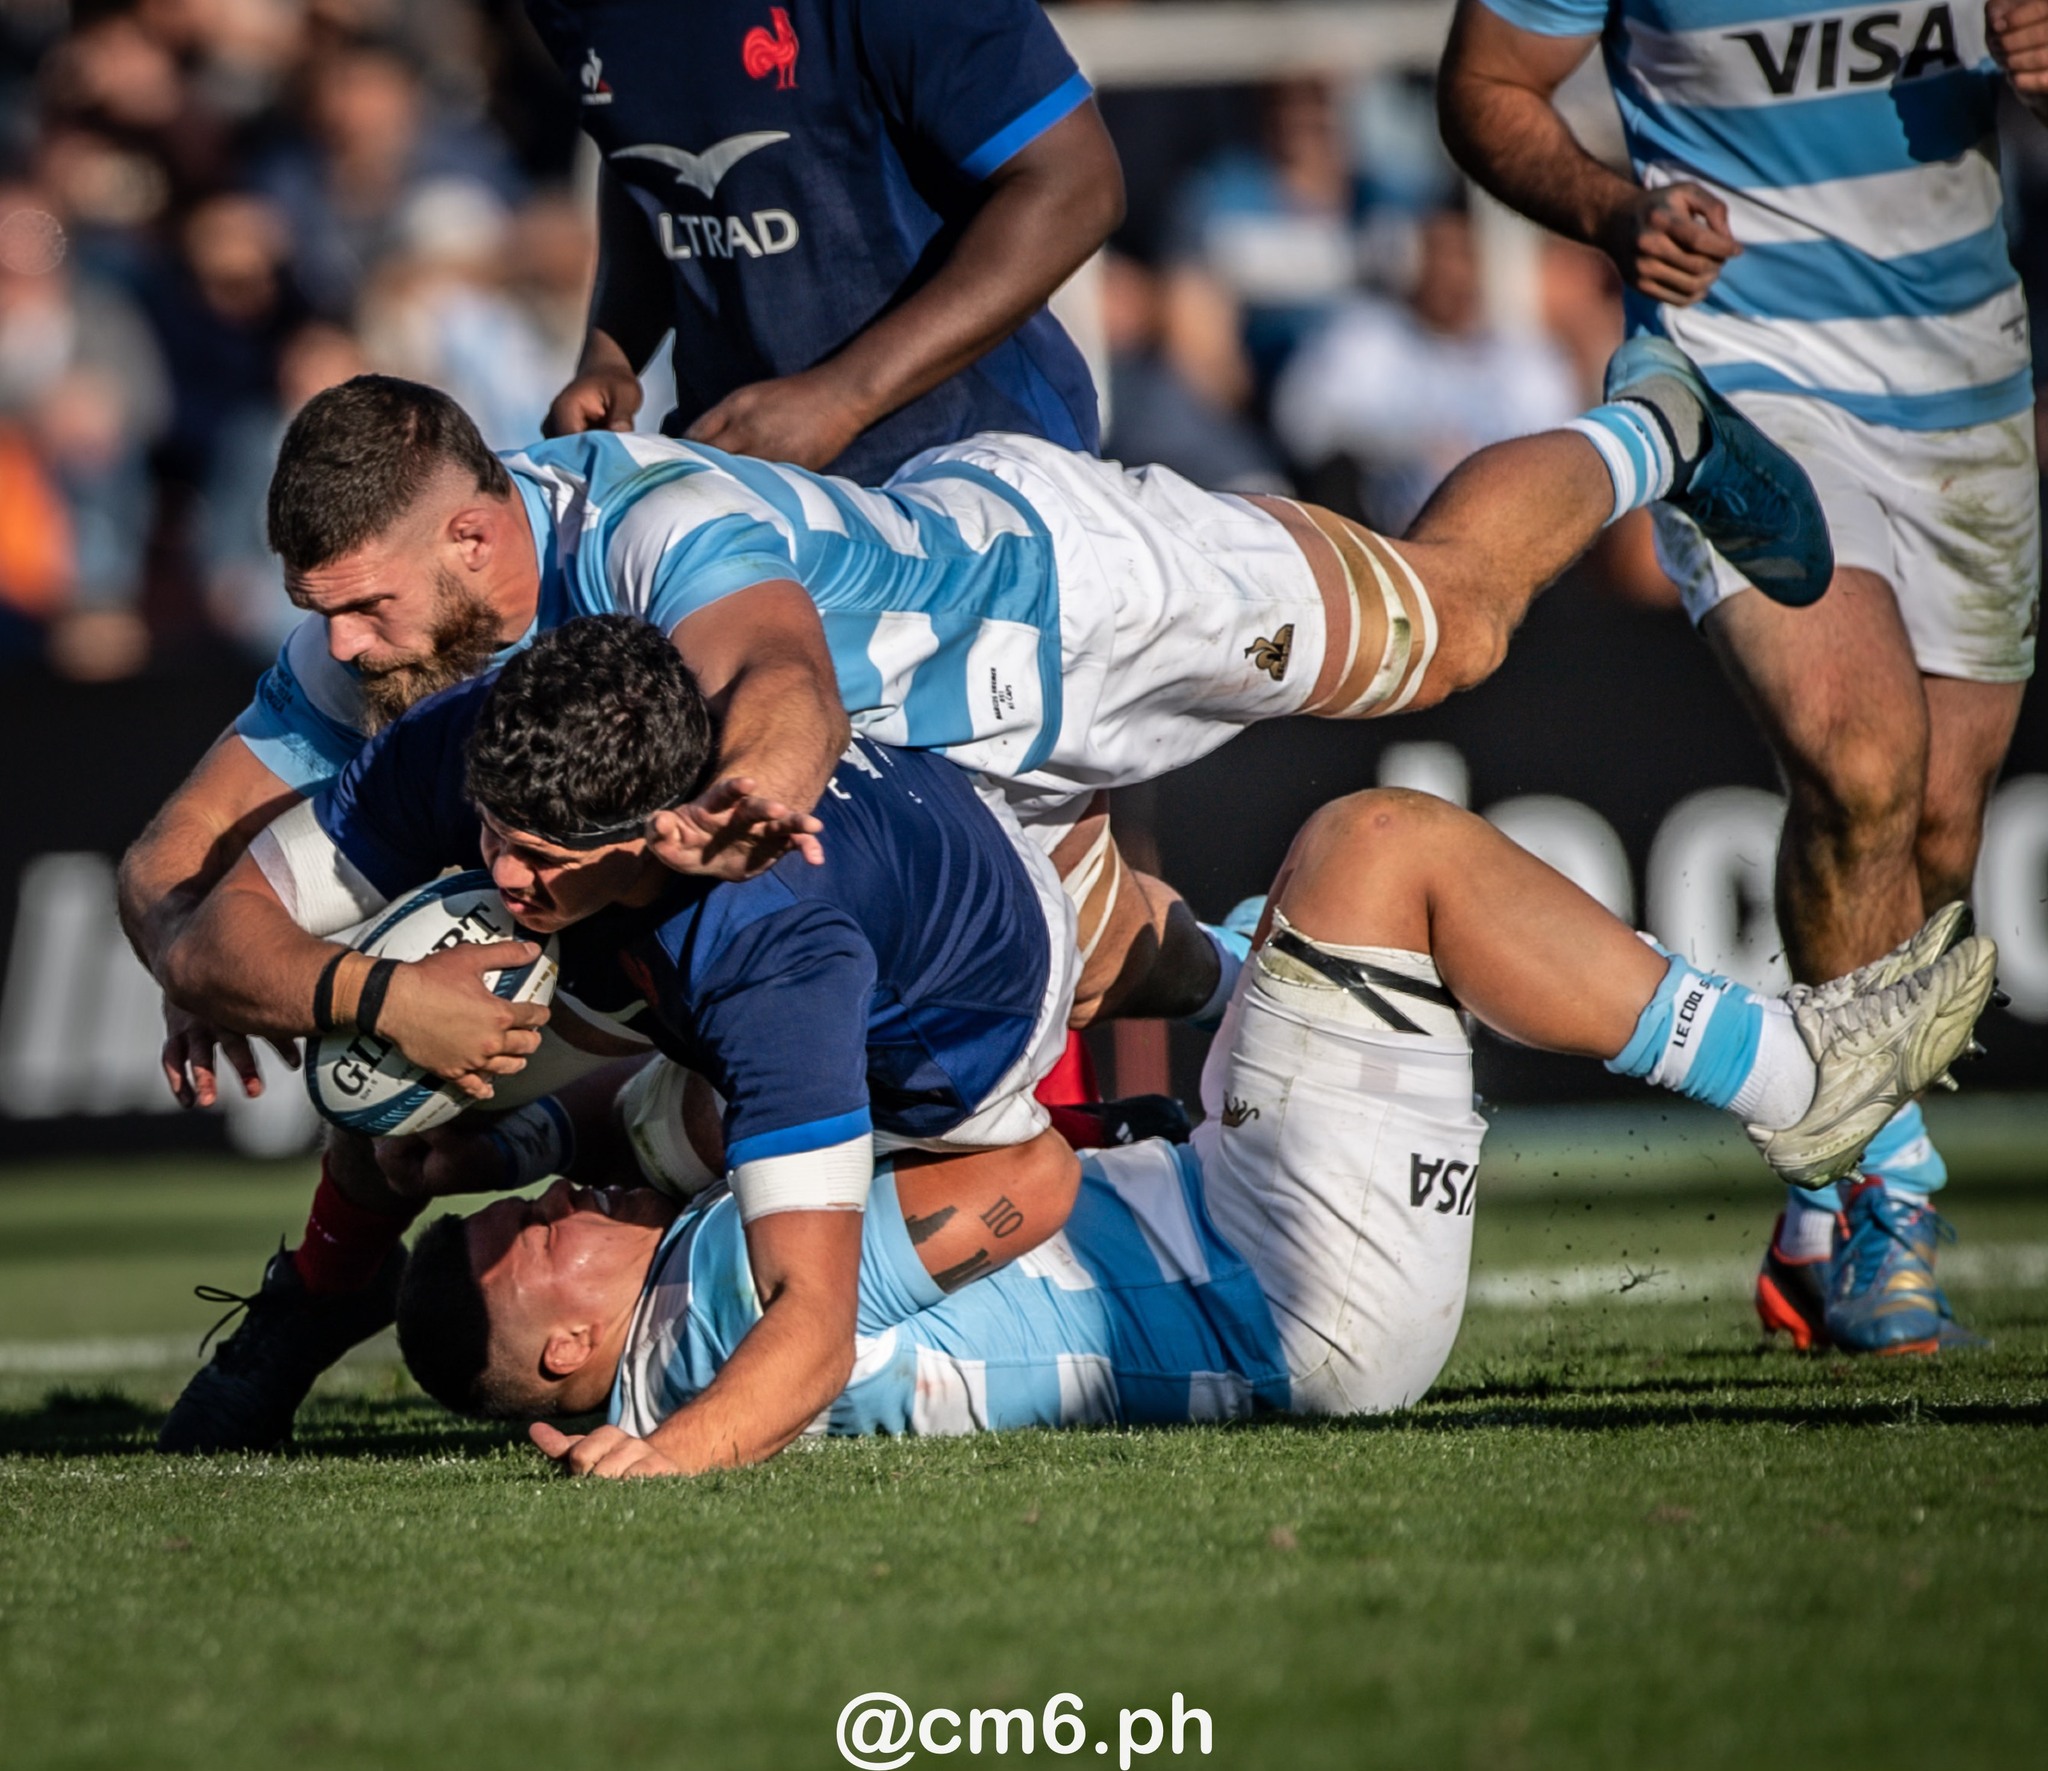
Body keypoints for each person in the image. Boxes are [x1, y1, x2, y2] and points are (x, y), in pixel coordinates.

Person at [118, 354, 1833, 1115]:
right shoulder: (391, 635)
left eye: (361, 610)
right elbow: (158, 875)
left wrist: (744, 804)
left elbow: (781, 684)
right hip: (949, 774)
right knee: (1117, 972)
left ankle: (1646, 424)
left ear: (478, 543)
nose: (337, 652)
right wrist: (243, 980)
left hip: (1062, 608)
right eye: (324, 614)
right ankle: (1338, 1060)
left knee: (1449, 623)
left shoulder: (650, 528)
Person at [391, 787, 1997, 1475]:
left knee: (1191, 929)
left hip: (1251, 1239)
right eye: (529, 1236)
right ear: (564, 1350)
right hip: (1292, 1287)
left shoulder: (689, 1305)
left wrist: (497, 1132)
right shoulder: (735, 1293)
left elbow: (686, 1117)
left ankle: (1252, 963)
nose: (557, 1202)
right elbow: (1017, 1175)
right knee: (1379, 846)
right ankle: (1799, 1082)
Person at [1436, 0, 2045, 1354]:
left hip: (1971, 387)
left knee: (1937, 818)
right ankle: (1891, 1190)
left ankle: (1824, 1195)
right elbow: (1486, 82)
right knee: (1859, 759)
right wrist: (1612, 212)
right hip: (1740, 375)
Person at [155, 617, 1091, 1455]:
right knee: (382, 1074)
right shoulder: (489, 734)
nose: (503, 873)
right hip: (735, 923)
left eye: (544, 857)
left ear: (655, 832)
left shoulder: (774, 961)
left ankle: (1150, 1070)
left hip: (949, 1053)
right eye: (491, 830)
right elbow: (206, 938)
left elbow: (813, 1328)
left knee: (709, 1151)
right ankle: (324, 1290)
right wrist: (378, 998)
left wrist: (665, 1458)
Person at [523, 0, 1123, 483]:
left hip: (981, 471)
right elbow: (644, 151)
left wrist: (841, 398)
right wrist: (613, 351)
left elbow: (1076, 184)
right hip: (753, 479)